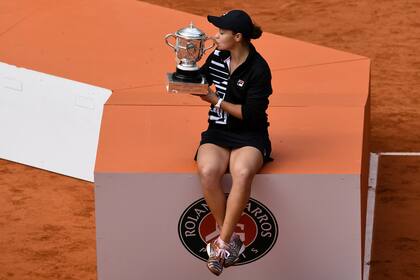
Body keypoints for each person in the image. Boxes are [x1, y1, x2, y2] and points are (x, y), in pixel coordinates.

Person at [195, 9, 273, 276]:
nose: (215, 37)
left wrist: (214, 100)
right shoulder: (217, 55)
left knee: (242, 172)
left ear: (237, 37)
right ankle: (230, 239)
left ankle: (223, 245)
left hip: (250, 134)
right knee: (207, 171)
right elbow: (202, 79)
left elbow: (250, 114)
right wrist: (186, 72)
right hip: (217, 131)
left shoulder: (259, 70)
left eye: (221, 33)